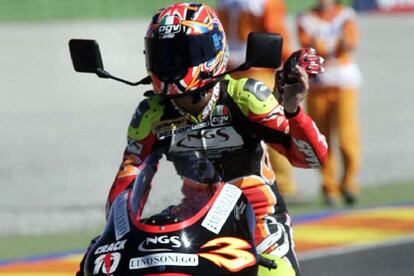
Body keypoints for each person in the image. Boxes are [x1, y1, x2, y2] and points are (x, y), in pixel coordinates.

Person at [78, 3, 327, 275]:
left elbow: (312, 158)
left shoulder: (247, 97)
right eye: (164, 54)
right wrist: (116, 234)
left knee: (279, 272)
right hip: (191, 221)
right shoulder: (151, 114)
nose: (172, 64)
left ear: (212, 51)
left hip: (255, 218)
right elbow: (129, 178)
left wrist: (292, 109)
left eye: (183, 53)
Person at [215, 0, 302, 201]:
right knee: (273, 128)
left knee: (232, 131)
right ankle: (283, 185)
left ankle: (236, 184)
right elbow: (274, 31)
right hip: (258, 70)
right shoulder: (266, 2)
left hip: (230, 69)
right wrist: (290, 62)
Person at [296, 0, 362, 206]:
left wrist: (323, 47)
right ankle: (329, 186)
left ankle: (349, 181)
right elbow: (310, 49)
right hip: (317, 87)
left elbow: (349, 43)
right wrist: (329, 47)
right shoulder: (306, 18)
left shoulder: (346, 15)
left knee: (346, 136)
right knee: (320, 138)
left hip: (344, 84)